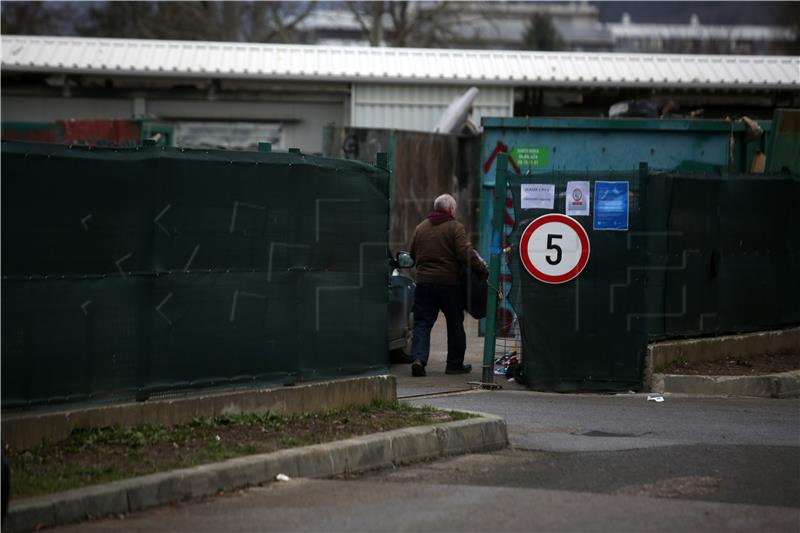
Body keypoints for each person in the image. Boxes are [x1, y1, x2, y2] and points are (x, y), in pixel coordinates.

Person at [408, 194, 488, 377]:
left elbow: (412, 254)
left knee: (422, 322)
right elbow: (465, 253)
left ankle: (419, 359)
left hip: (424, 283)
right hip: (449, 285)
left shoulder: (420, 228)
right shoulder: (455, 227)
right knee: (454, 323)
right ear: (451, 209)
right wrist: (481, 269)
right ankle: (454, 364)